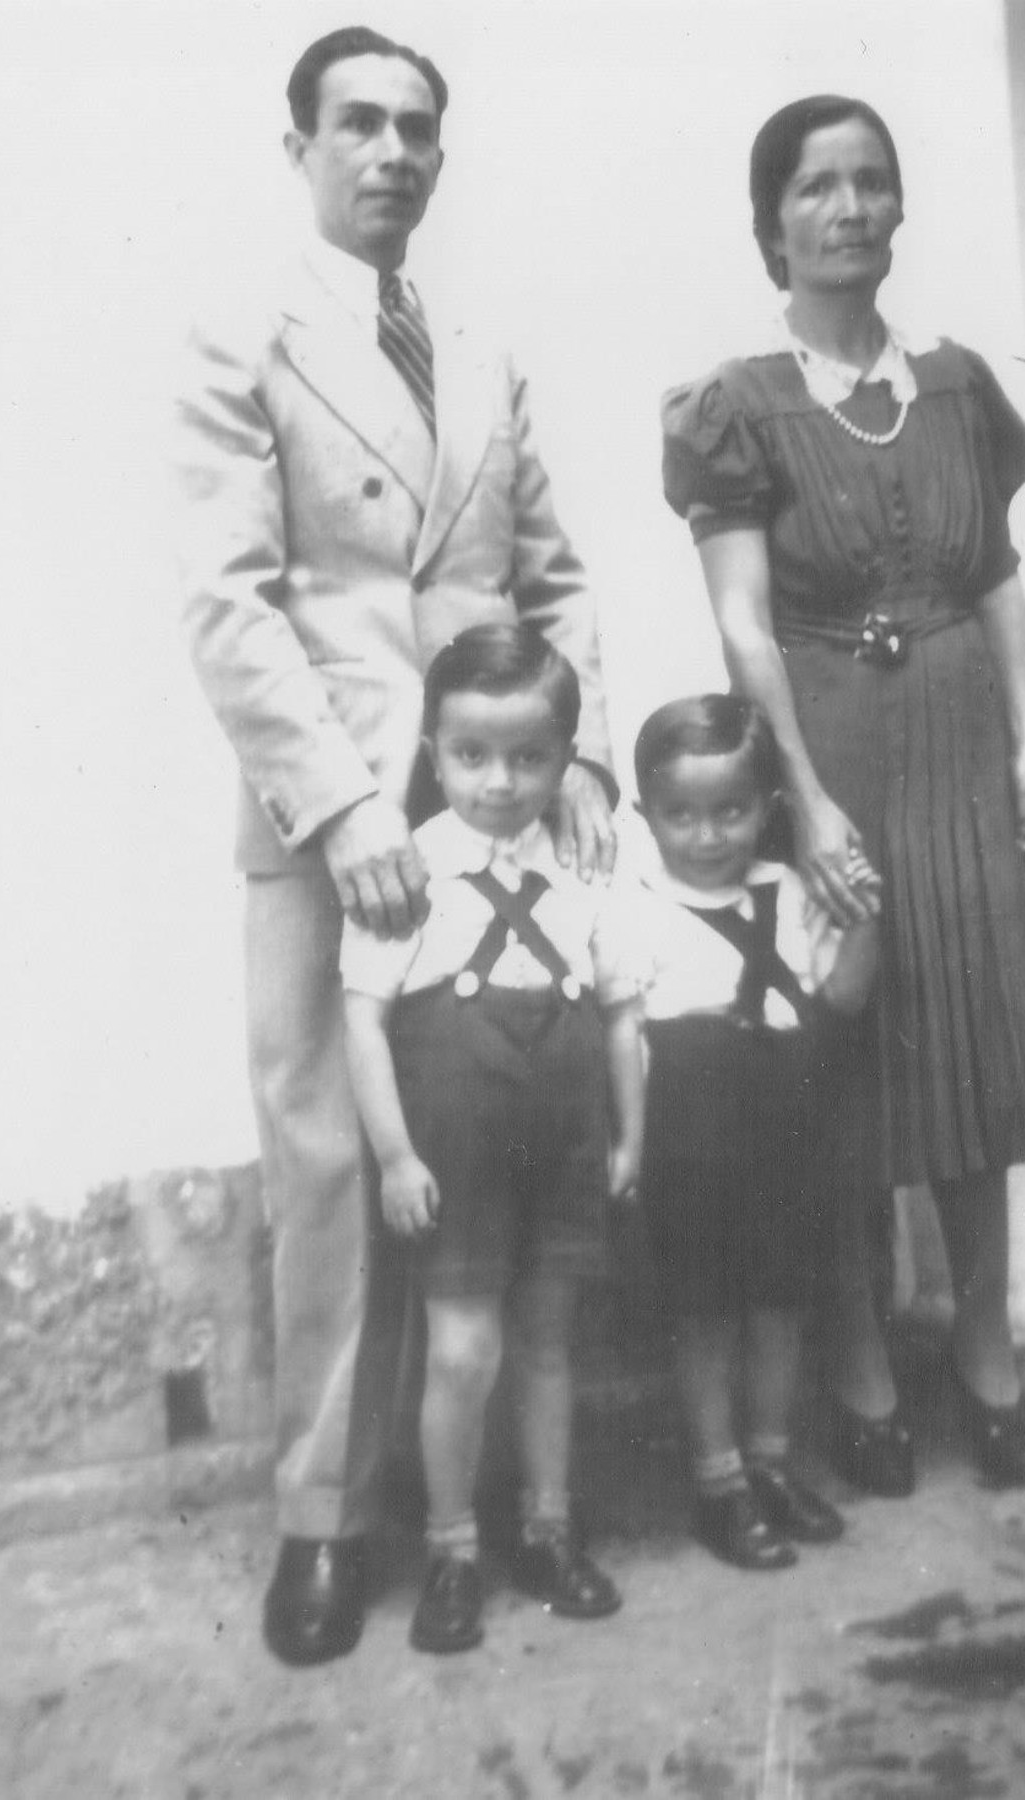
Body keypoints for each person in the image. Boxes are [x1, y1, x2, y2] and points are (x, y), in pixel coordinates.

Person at [174, 27, 616, 1666]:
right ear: (298, 145)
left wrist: (584, 755)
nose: (392, 153)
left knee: (499, 1131)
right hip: (334, 817)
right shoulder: (242, 334)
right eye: (357, 123)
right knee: (333, 1158)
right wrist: (349, 805)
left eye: (418, 128)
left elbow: (551, 574)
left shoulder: (479, 351)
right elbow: (226, 603)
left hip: (495, 806)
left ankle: (486, 1505)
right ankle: (323, 1520)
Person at [661, 97, 1025, 1498]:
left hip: (962, 740)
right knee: (840, 1066)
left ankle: (985, 1351)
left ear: (899, 208)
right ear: (770, 224)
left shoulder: (954, 386)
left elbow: (995, 573)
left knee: (977, 1034)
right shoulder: (739, 407)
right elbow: (741, 622)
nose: (847, 208)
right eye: (815, 187)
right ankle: (857, 1365)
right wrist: (806, 799)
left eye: (869, 183)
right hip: (828, 745)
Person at [340, 624, 642, 1654]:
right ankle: (452, 1547)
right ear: (433, 753)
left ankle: (548, 1528)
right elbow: (362, 1023)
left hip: (562, 1146)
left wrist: (630, 1137)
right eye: (471, 756)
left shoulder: (584, 863)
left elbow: (622, 1012)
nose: (500, 782)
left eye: (528, 758)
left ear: (566, 760)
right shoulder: (407, 868)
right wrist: (395, 1157)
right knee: (464, 1351)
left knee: (550, 1343)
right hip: (455, 1160)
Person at [628, 695, 877, 1568]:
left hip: (786, 1126)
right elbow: (621, 1036)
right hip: (689, 1136)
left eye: (730, 811)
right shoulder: (637, 906)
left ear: (768, 806)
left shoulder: (789, 890)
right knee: (703, 1313)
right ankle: (718, 1483)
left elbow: (842, 999)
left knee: (779, 1302)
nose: (707, 836)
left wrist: (865, 918)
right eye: (681, 815)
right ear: (646, 814)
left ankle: (769, 1465)